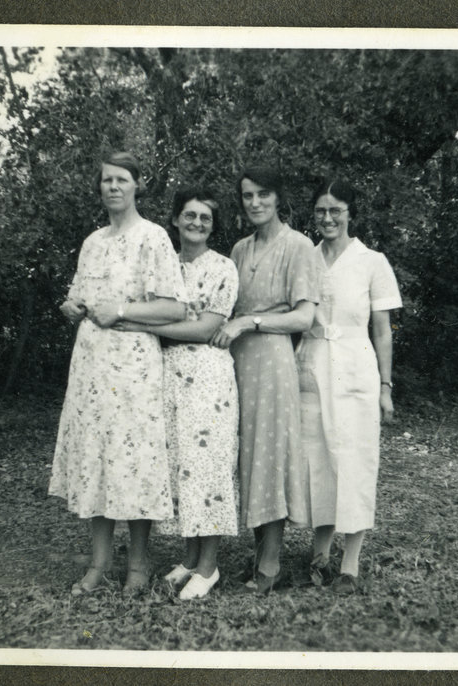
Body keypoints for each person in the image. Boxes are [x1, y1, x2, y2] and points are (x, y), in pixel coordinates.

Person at [49, 152, 187, 596]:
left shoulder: (155, 238)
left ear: (137, 185)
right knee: (98, 459)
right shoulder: (93, 242)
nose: (113, 187)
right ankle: (99, 563)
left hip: (133, 367)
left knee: (135, 461)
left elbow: (175, 307)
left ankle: (140, 565)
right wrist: (71, 307)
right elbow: (79, 296)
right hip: (91, 367)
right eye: (107, 180)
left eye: (122, 179)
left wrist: (123, 310)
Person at [115, 188, 239, 600]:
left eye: (205, 218)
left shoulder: (224, 268)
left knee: (208, 466)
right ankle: (188, 559)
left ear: (213, 226)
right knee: (181, 467)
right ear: (175, 219)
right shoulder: (162, 265)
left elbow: (205, 329)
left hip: (207, 377)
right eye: (190, 215)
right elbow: (148, 307)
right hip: (165, 376)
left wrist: (148, 327)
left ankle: (209, 566)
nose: (197, 223)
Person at [210, 167, 320, 593]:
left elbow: (304, 316)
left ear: (279, 198)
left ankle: (271, 565)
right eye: (247, 196)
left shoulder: (299, 246)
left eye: (263, 195)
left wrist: (249, 322)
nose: (255, 203)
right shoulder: (240, 249)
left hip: (272, 360)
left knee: (270, 453)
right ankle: (259, 555)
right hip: (236, 362)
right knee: (248, 453)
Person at [292, 178, 402, 594]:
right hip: (312, 364)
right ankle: (318, 555)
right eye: (321, 210)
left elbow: (383, 331)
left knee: (354, 459)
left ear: (350, 213)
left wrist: (385, 387)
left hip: (356, 366)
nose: (327, 217)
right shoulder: (306, 257)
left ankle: (350, 563)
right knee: (316, 458)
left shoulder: (372, 261)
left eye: (336, 210)